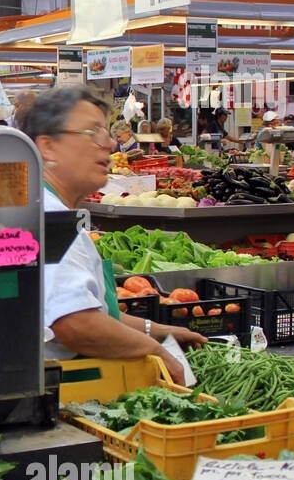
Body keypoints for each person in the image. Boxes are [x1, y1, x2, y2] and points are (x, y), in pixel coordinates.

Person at [18, 86, 206, 385]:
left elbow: (91, 309)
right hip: (63, 392)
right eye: (92, 132)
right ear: (48, 147)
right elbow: (75, 322)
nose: (107, 144)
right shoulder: (50, 222)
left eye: (106, 132)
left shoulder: (46, 210)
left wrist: (156, 330)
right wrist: (155, 350)